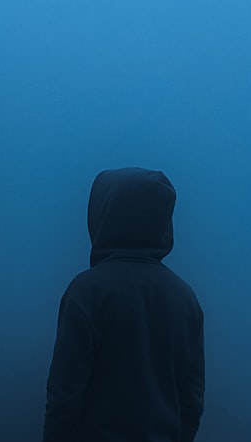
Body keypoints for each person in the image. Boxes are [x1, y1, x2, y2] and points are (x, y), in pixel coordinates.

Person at [43, 168, 205, 442]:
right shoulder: (185, 298)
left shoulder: (87, 292)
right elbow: (192, 402)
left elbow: (64, 398)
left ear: (102, 214)